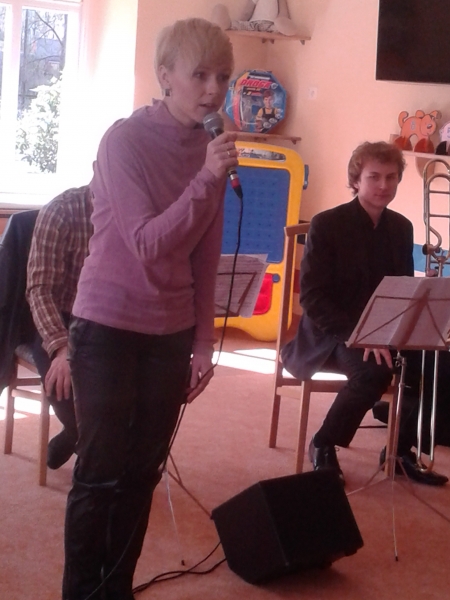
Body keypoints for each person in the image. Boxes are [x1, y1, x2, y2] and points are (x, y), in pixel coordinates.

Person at [63, 18, 236, 600]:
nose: (213, 90)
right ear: (165, 76)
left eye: (223, 77)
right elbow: (146, 243)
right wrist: (206, 177)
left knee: (142, 473)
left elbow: (205, 254)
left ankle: (115, 590)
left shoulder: (211, 150)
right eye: (200, 75)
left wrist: (203, 343)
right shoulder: (124, 141)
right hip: (107, 324)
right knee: (100, 472)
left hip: (171, 331)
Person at [281, 141, 448, 487]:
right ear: (356, 180)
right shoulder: (326, 224)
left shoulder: (401, 227)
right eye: (374, 177)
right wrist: (358, 334)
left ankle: (399, 451)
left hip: (383, 330)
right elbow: (312, 297)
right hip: (332, 333)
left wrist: (423, 287)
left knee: (438, 363)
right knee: (374, 372)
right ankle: (323, 443)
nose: (384, 185)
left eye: (391, 177)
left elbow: (397, 288)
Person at [26, 186, 93, 470]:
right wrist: (62, 348)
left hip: (105, 318)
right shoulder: (62, 211)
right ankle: (77, 435)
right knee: (64, 384)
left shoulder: (136, 209)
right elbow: (40, 290)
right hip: (59, 317)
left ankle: (73, 436)